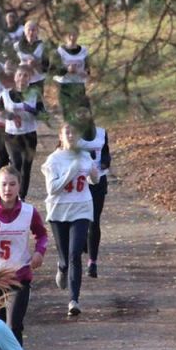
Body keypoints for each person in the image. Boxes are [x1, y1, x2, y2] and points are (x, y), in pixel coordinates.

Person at [0, 167, 48, 345]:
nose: (8, 189)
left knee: (14, 326)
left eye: (12, 184)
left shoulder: (29, 212)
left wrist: (39, 253)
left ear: (19, 186)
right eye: (4, 184)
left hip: (18, 277)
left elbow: (42, 235)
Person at [41, 121, 99, 316]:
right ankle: (61, 266)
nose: (71, 135)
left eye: (75, 132)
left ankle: (74, 300)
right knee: (66, 257)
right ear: (60, 136)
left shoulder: (84, 156)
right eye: (67, 132)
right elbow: (52, 189)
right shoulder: (53, 160)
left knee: (75, 254)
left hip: (82, 209)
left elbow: (94, 180)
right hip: (58, 211)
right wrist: (70, 173)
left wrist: (94, 173)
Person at [72, 101, 111, 278]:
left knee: (95, 221)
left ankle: (92, 262)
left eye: (85, 112)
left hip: (98, 181)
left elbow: (106, 153)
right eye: (78, 113)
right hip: (78, 182)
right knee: (81, 220)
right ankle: (78, 250)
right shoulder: (71, 134)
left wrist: (104, 162)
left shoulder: (102, 133)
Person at [0, 65, 41, 200]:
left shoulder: (35, 94)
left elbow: (44, 115)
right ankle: (14, 195)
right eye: (20, 75)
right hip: (12, 134)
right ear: (15, 77)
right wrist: (11, 116)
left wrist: (32, 111)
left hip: (29, 134)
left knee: (26, 167)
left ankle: (22, 197)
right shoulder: (5, 94)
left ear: (30, 78)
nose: (22, 78)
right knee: (16, 165)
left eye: (26, 76)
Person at [53, 29, 89, 121]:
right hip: (65, 84)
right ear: (65, 36)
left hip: (78, 84)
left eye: (74, 34)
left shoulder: (84, 50)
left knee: (79, 111)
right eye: (69, 35)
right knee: (67, 112)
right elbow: (55, 70)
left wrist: (85, 73)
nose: (72, 37)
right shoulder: (60, 51)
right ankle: (68, 132)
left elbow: (88, 69)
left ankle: (79, 132)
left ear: (78, 35)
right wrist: (67, 69)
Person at [15, 20, 50, 100]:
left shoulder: (43, 47)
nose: (31, 32)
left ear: (37, 32)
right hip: (21, 82)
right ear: (24, 31)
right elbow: (11, 64)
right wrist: (22, 68)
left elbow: (45, 69)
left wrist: (35, 65)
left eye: (33, 30)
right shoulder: (17, 46)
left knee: (37, 106)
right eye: (29, 30)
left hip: (37, 81)